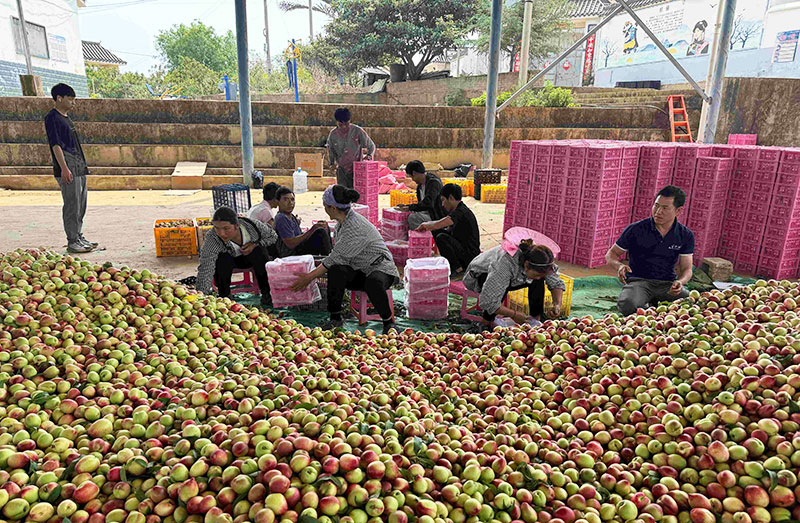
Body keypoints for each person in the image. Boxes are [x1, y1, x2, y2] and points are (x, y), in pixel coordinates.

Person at [291, 185, 398, 334]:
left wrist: (309, 277)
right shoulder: (343, 223)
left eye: (325, 206)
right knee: (336, 271)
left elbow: (333, 258)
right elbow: (336, 260)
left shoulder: (354, 226)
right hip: (360, 269)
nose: (325, 209)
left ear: (333, 208)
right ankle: (335, 318)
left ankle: (388, 322)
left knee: (373, 282)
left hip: (381, 268)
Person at [605, 185, 694, 316]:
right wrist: (619, 266)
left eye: (665, 208)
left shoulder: (685, 235)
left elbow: (687, 268)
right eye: (656, 205)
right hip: (639, 282)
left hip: (666, 285)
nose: (658, 211)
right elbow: (611, 254)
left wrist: (680, 282)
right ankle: (646, 302)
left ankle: (651, 303)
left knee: (691, 304)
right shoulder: (636, 229)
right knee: (628, 305)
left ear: (678, 211)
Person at [463, 240, 566, 325]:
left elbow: (555, 282)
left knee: (537, 280)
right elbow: (488, 301)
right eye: (536, 274)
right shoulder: (504, 264)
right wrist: (514, 314)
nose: (538, 277)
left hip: (512, 276)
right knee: (500, 286)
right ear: (526, 265)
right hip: (479, 275)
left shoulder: (541, 262)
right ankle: (487, 321)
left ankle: (535, 319)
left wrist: (557, 304)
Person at [45, 83, 96, 254]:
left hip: (78, 165)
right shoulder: (52, 118)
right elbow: (55, 144)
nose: (73, 103)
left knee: (81, 203)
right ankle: (72, 240)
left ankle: (78, 235)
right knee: (71, 204)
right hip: (67, 165)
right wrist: (64, 168)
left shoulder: (67, 118)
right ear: (59, 98)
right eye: (70, 99)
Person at [196, 206, 279, 308]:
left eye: (226, 228)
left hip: (251, 258)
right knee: (222, 258)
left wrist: (255, 244)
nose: (221, 233)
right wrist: (200, 297)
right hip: (230, 260)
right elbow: (206, 266)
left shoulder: (253, 226)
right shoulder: (212, 237)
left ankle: (267, 294)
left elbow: (273, 236)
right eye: (217, 228)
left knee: (259, 251)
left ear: (237, 225)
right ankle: (224, 296)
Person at [416, 183, 480, 277]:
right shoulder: (457, 209)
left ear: (450, 198)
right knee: (437, 231)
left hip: (470, 255)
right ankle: (455, 265)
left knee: (441, 237)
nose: (442, 204)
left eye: (443, 200)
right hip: (462, 247)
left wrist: (426, 225)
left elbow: (442, 223)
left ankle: (458, 269)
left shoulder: (461, 211)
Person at [273, 187, 333, 257]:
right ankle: (330, 260)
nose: (290, 203)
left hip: (299, 248)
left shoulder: (291, 216)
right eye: (285, 200)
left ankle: (330, 255)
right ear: (278, 202)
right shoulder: (281, 218)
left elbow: (299, 235)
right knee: (321, 232)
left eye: (292, 200)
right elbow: (291, 244)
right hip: (292, 254)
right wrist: (313, 229)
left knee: (324, 228)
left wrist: (315, 228)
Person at [326, 107, 376, 188]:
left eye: (346, 124)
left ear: (350, 121)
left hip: (357, 170)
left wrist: (369, 155)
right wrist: (332, 163)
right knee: (342, 195)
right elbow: (331, 150)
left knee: (355, 194)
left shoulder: (357, 131)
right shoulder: (333, 134)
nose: (344, 127)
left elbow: (371, 146)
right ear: (336, 122)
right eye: (341, 124)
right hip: (342, 170)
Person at [398, 160, 445, 231]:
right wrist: (407, 206)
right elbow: (422, 204)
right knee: (408, 214)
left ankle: (420, 238)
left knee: (413, 218)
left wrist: (410, 207)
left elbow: (428, 203)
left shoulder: (433, 183)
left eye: (411, 177)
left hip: (436, 216)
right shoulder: (420, 186)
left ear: (414, 173)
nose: (412, 180)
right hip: (427, 213)